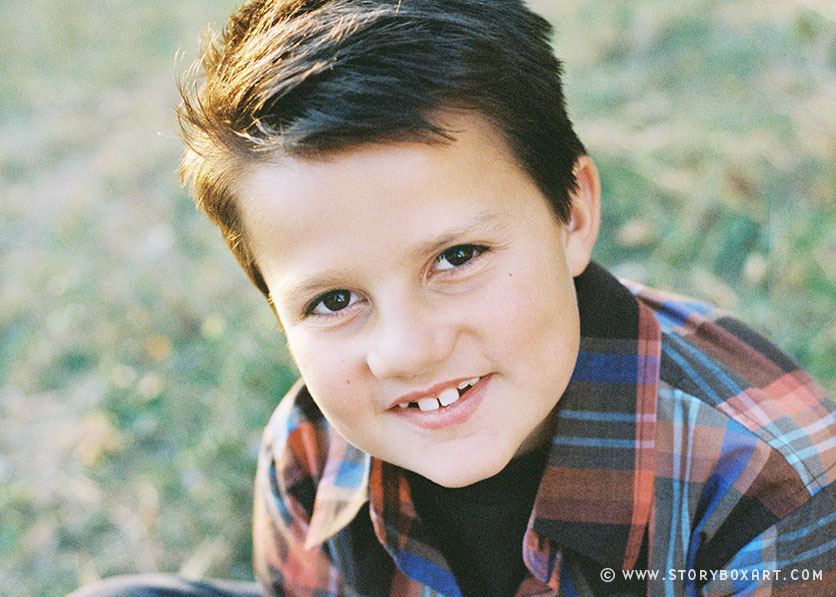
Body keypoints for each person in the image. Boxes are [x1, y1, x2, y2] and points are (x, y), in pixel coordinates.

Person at [71, 0, 836, 595]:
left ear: (571, 212)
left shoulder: (768, 488)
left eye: (457, 257)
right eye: (334, 299)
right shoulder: (309, 450)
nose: (407, 349)